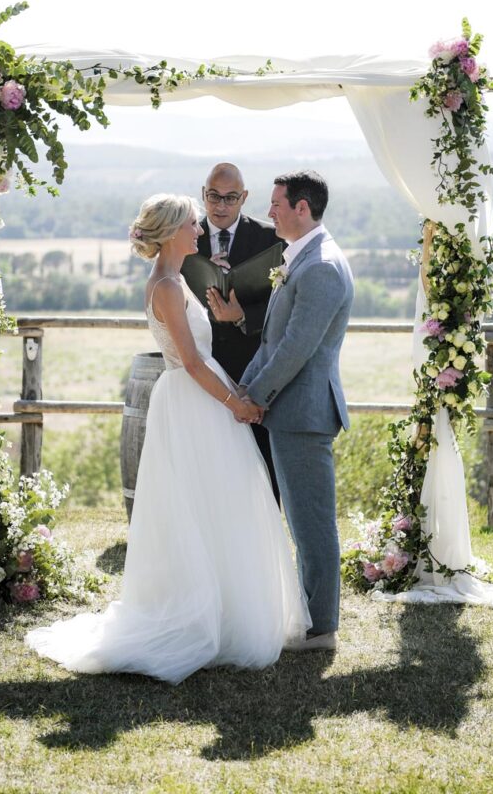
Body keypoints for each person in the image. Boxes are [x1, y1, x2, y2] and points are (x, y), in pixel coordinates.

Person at [25, 193, 309, 684]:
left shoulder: (173, 280)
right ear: (174, 230)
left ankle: (222, 606)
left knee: (216, 504)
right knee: (206, 504)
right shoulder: (167, 287)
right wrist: (236, 403)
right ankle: (206, 614)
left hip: (196, 397)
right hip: (192, 402)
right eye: (193, 225)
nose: (199, 232)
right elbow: (192, 363)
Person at [240, 171, 354, 652]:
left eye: (277, 205)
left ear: (302, 208)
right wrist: (242, 387)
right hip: (288, 412)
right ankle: (312, 616)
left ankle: (321, 627)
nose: (270, 213)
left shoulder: (322, 267)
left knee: (311, 523)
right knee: (303, 523)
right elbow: (272, 340)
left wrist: (254, 398)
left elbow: (295, 349)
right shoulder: (303, 258)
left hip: (304, 414)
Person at [181, 162, 281, 504]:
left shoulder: (270, 239)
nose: (221, 206)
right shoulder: (185, 237)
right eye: (213, 197)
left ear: (245, 198)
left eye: (230, 198)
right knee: (206, 464)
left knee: (261, 467)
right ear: (203, 194)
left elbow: (285, 304)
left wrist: (243, 315)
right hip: (201, 367)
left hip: (253, 367)